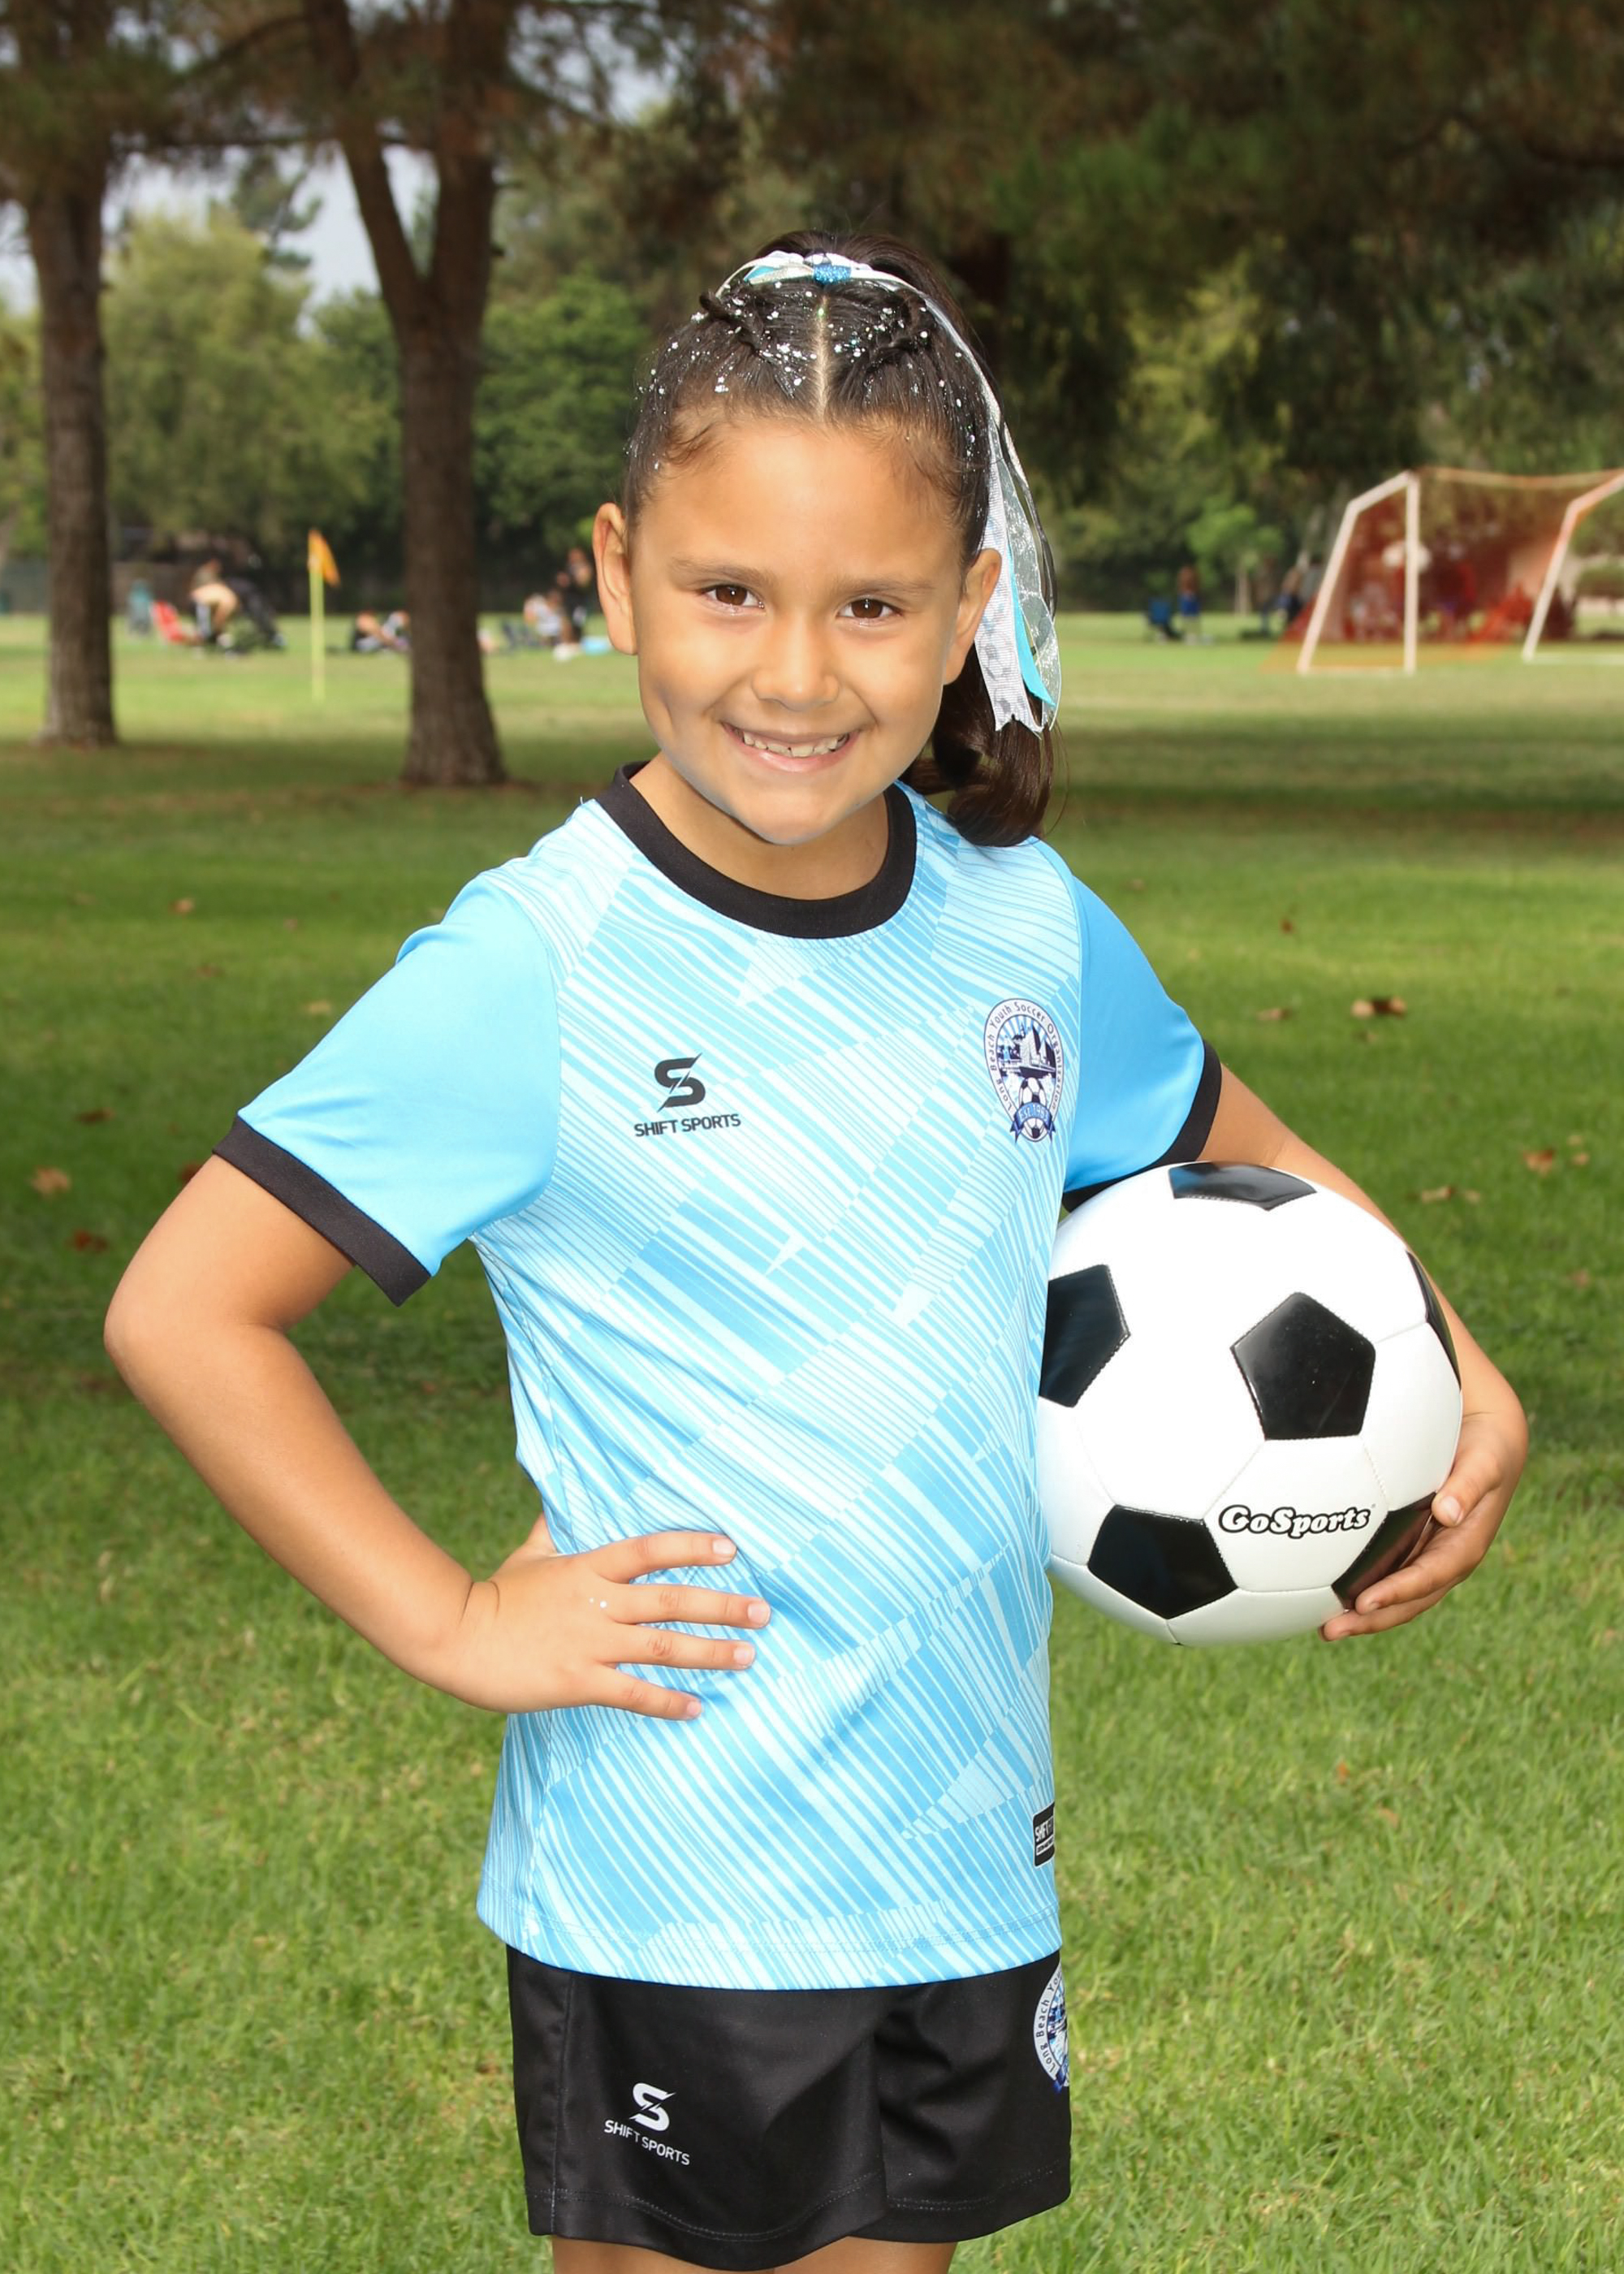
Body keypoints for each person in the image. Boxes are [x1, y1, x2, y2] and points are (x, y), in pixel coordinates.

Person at [104, 233, 1527, 2274]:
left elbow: (1259, 1160)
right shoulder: (540, 963)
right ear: (616, 576)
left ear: (969, 609)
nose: (794, 672)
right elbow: (187, 1305)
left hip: (959, 1845)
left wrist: (1459, 1366)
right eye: (728, 593)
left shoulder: (1026, 927)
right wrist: (451, 1616)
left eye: (870, 604)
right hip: (682, 1858)